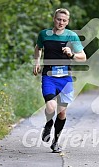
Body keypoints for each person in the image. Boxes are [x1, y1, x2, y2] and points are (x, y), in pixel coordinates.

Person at [33, 8, 86, 153]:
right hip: (49, 76)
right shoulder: (44, 34)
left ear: (67, 22)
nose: (61, 22)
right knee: (50, 107)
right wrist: (37, 61)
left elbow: (83, 57)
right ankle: (48, 124)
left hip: (65, 79)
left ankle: (56, 142)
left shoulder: (72, 36)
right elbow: (38, 48)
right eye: (58, 19)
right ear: (54, 19)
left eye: (64, 20)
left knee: (62, 113)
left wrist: (72, 54)